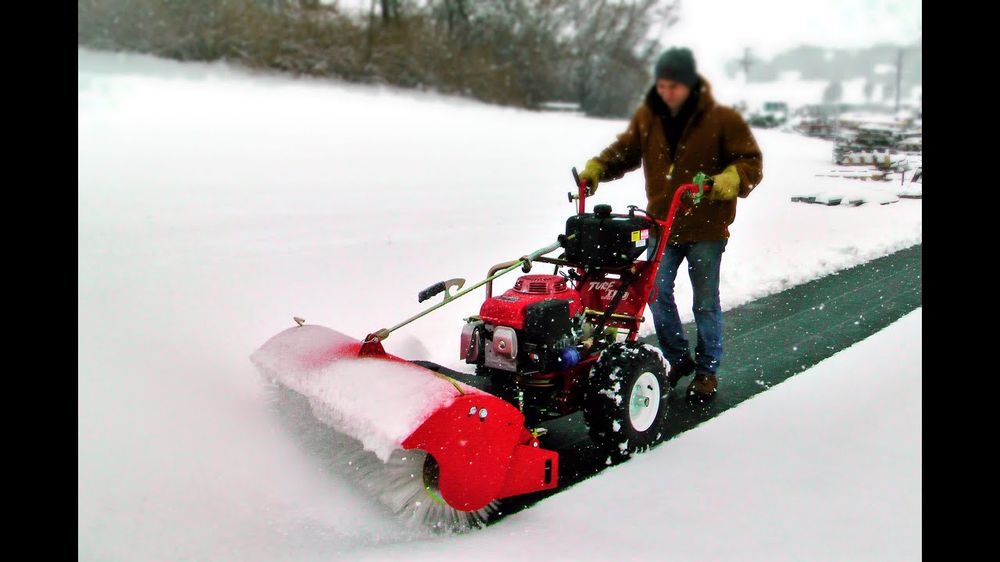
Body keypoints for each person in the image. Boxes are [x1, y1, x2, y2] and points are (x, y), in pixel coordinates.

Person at [577, 46, 763, 402]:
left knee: (705, 302)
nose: (666, 92)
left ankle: (707, 371)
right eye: (661, 85)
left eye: (673, 86)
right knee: (654, 293)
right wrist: (598, 168)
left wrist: (729, 179)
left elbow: (749, 162)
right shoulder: (650, 119)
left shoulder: (723, 120)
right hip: (662, 225)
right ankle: (677, 358)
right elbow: (624, 151)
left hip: (706, 228)